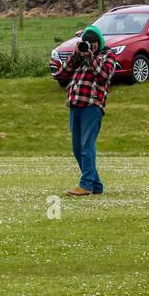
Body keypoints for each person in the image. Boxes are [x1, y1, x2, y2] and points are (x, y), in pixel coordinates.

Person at [55, 25, 117, 196]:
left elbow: (104, 76)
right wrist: (76, 56)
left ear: (99, 42)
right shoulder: (79, 56)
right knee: (77, 148)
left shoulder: (108, 55)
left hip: (92, 105)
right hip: (75, 104)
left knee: (86, 146)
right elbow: (62, 74)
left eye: (93, 43)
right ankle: (96, 185)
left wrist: (90, 58)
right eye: (87, 42)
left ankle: (86, 185)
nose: (90, 46)